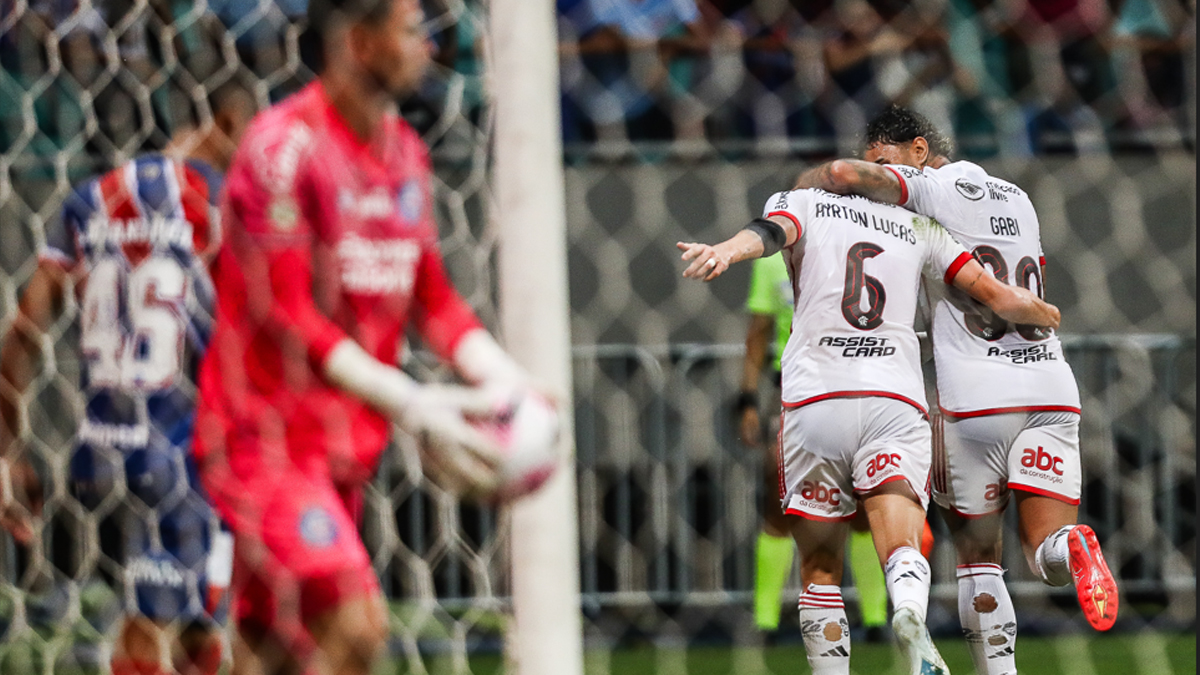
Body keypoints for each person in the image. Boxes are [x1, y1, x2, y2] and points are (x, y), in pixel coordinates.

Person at [191, 0, 536, 673]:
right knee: (356, 629)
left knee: (271, 654)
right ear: (361, 43)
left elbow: (429, 297)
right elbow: (285, 311)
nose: (428, 49)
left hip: (340, 448)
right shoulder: (282, 149)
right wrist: (406, 398)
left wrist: (505, 380)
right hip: (262, 443)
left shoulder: (403, 151)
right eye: (411, 32)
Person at [677, 175, 1061, 675]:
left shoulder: (805, 204)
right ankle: (906, 609)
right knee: (900, 542)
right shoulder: (920, 225)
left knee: (819, 568)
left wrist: (725, 251)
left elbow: (767, 233)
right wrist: (1043, 311)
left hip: (817, 400)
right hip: (893, 402)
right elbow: (994, 294)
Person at [792, 104, 1120, 674]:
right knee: (1044, 550)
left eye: (884, 159)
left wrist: (822, 179)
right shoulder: (1017, 197)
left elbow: (847, 178)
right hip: (1049, 386)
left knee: (977, 557)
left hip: (975, 396)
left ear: (918, 151)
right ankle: (1073, 548)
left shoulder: (931, 194)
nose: (878, 176)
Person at [0, 81, 257, 675]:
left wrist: (10, 446)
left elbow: (22, 331)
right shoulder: (217, 205)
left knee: (195, 632)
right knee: (157, 639)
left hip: (102, 459)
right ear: (222, 120)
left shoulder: (91, 199)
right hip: (185, 464)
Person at [738, 253, 890, 640]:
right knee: (779, 499)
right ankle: (765, 621)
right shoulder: (771, 260)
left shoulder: (851, 247)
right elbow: (759, 331)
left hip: (851, 385)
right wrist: (747, 399)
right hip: (791, 386)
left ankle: (874, 618)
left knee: (861, 500)